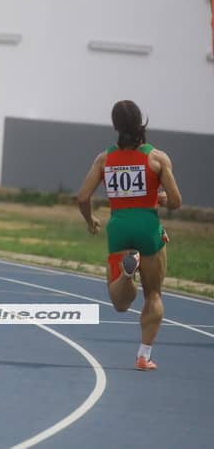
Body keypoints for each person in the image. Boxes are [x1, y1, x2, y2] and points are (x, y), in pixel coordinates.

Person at [76, 100, 181, 371]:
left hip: (119, 225)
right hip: (148, 227)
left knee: (121, 303)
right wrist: (160, 197)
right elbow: (177, 202)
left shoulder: (104, 159)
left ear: (115, 126)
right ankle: (143, 356)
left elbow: (83, 197)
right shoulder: (157, 158)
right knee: (154, 294)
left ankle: (125, 273)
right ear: (141, 123)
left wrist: (90, 220)